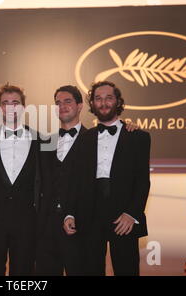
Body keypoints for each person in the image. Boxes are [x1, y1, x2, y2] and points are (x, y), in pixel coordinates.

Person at [64, 81, 151, 276]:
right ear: (92, 104)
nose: (103, 103)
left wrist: (132, 213)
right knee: (89, 270)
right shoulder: (83, 138)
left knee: (127, 269)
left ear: (117, 101)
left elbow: (142, 181)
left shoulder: (138, 137)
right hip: (89, 215)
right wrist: (69, 213)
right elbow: (75, 181)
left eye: (108, 98)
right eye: (98, 98)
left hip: (124, 217)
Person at [0, 83, 41, 276]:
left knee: (24, 273)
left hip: (27, 222)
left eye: (15, 102)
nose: (11, 107)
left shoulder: (40, 140)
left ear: (23, 107)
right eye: (6, 103)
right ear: (0, 108)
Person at [35, 85, 88, 275]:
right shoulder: (44, 142)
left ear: (80, 105)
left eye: (68, 101)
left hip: (80, 227)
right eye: (58, 103)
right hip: (45, 229)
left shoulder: (95, 140)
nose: (62, 106)